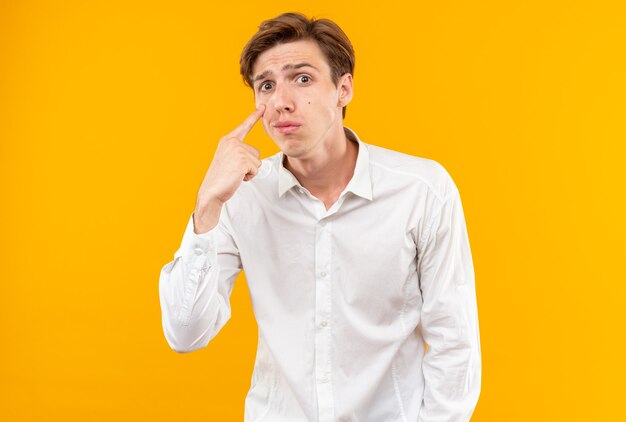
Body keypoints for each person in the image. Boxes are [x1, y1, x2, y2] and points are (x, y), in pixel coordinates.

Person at [159, 12, 481, 422]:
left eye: (303, 79)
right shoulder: (241, 195)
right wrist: (207, 205)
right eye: (267, 85)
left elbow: (456, 345)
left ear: (343, 89)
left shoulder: (422, 191)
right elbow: (186, 333)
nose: (281, 101)